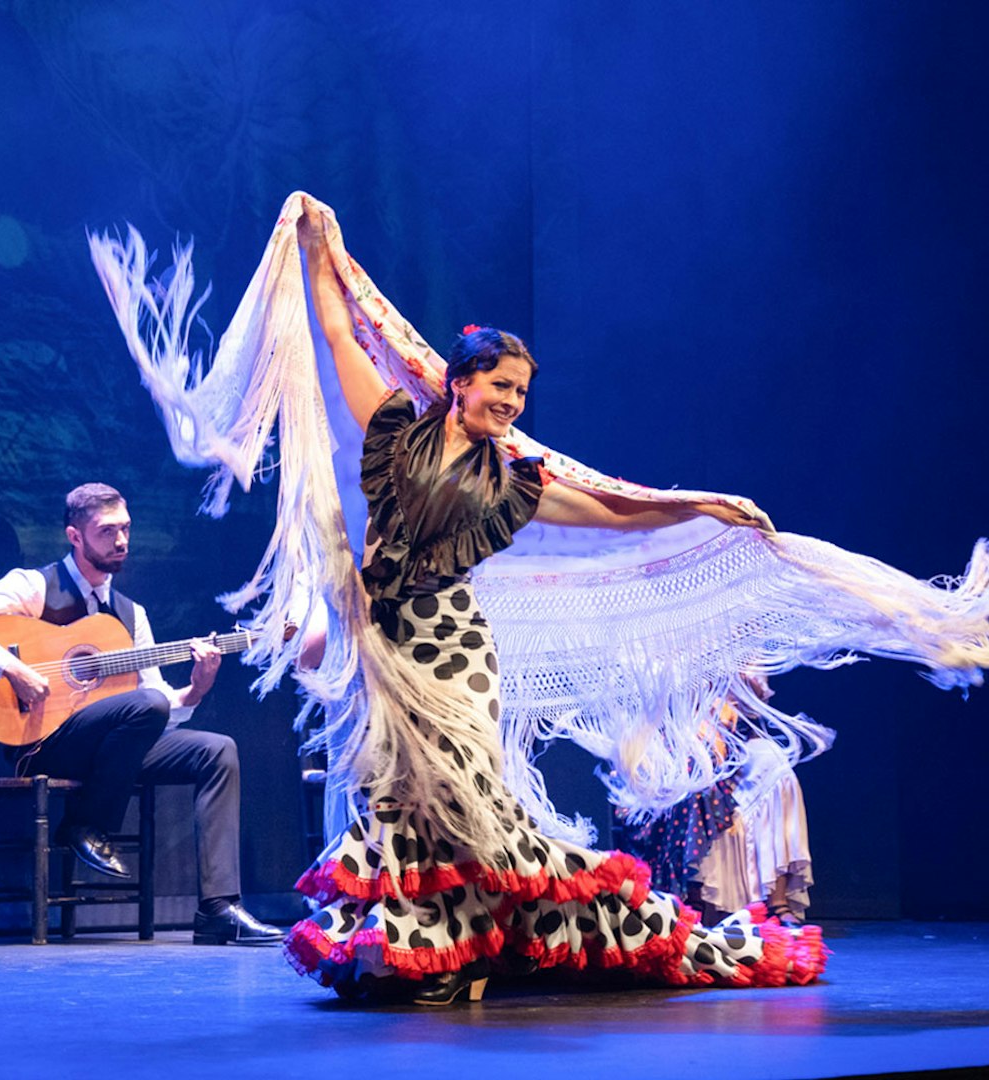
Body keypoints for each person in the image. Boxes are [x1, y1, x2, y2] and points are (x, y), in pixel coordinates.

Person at [276, 205, 823, 1003]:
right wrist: (321, 249)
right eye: (501, 386)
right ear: (459, 384)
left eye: (522, 392)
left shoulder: (516, 479)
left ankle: (460, 950)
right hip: (389, 646)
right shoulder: (394, 428)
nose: (513, 402)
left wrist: (700, 506)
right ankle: (431, 947)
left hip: (454, 648)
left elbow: (612, 509)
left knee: (461, 796)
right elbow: (337, 334)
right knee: (404, 798)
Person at [0, 483, 284, 946]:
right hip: (44, 743)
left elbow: (156, 703)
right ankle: (85, 824)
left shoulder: (130, 614)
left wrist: (196, 688)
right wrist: (12, 668)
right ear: (75, 536)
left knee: (217, 750)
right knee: (147, 706)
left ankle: (217, 908)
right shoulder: (34, 586)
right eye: (108, 531)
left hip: (112, 749)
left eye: (126, 529)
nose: (121, 541)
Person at [615, 675, 816, 929]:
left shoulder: (727, 644)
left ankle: (776, 900)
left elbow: (753, 703)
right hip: (671, 734)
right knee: (697, 773)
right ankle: (694, 898)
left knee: (776, 767)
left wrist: (739, 682)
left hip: (731, 741)